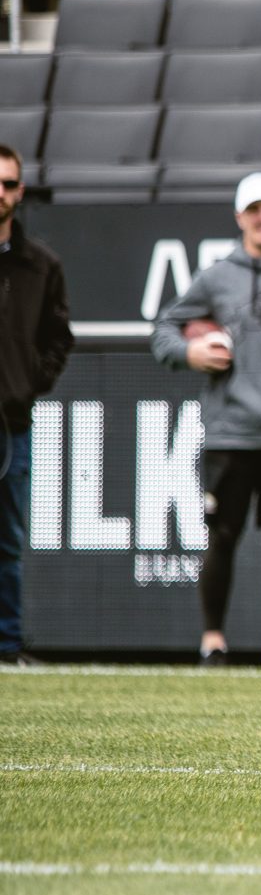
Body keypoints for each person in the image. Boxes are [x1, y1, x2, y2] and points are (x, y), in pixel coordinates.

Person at [151, 172, 261, 668]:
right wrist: (190, 352)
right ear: (239, 217)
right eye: (254, 209)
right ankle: (213, 643)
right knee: (222, 538)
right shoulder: (216, 276)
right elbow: (163, 328)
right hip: (233, 431)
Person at [0, 144, 70, 666]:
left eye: (8, 184)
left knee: (7, 541)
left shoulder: (41, 265)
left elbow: (58, 337)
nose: (0, 194)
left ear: (20, 192)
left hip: (11, 421)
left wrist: (30, 382)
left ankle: (6, 645)